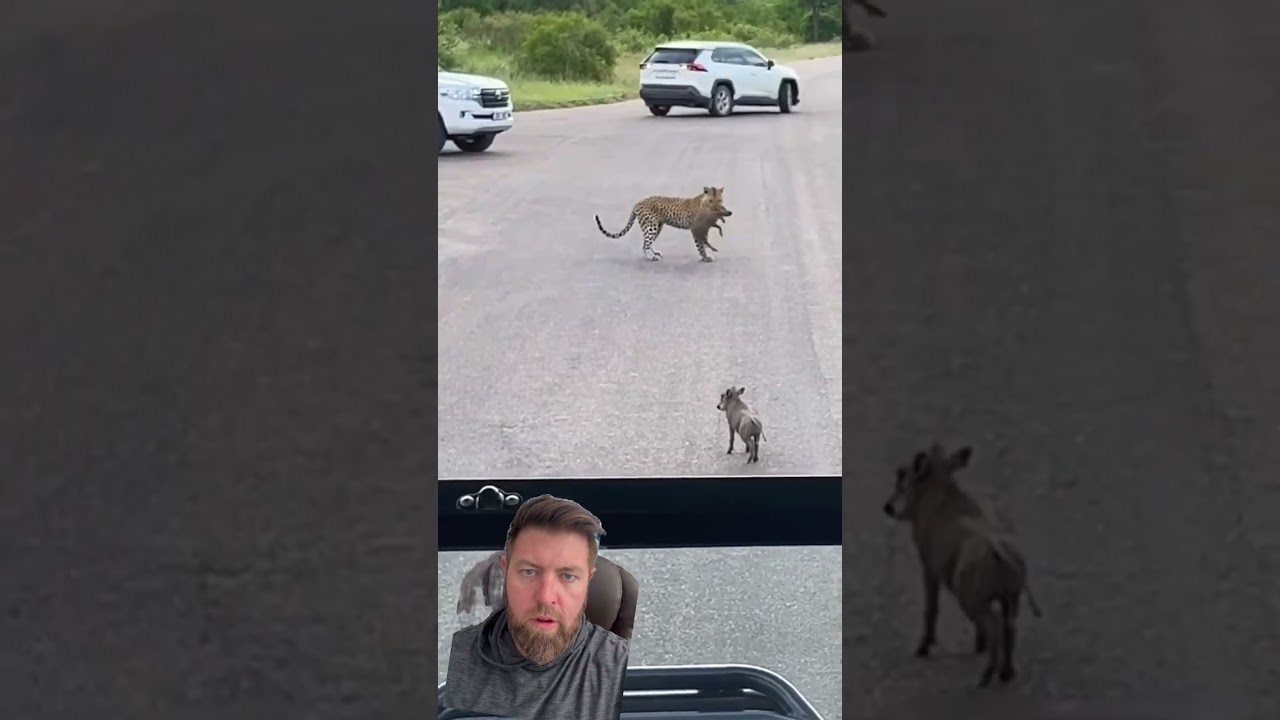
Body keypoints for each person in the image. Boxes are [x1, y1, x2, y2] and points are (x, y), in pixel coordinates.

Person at [443, 494, 630, 719]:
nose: (545, 597)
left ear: (588, 582)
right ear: (506, 571)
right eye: (529, 572)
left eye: (568, 576)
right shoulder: (452, 660)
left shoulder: (620, 667)